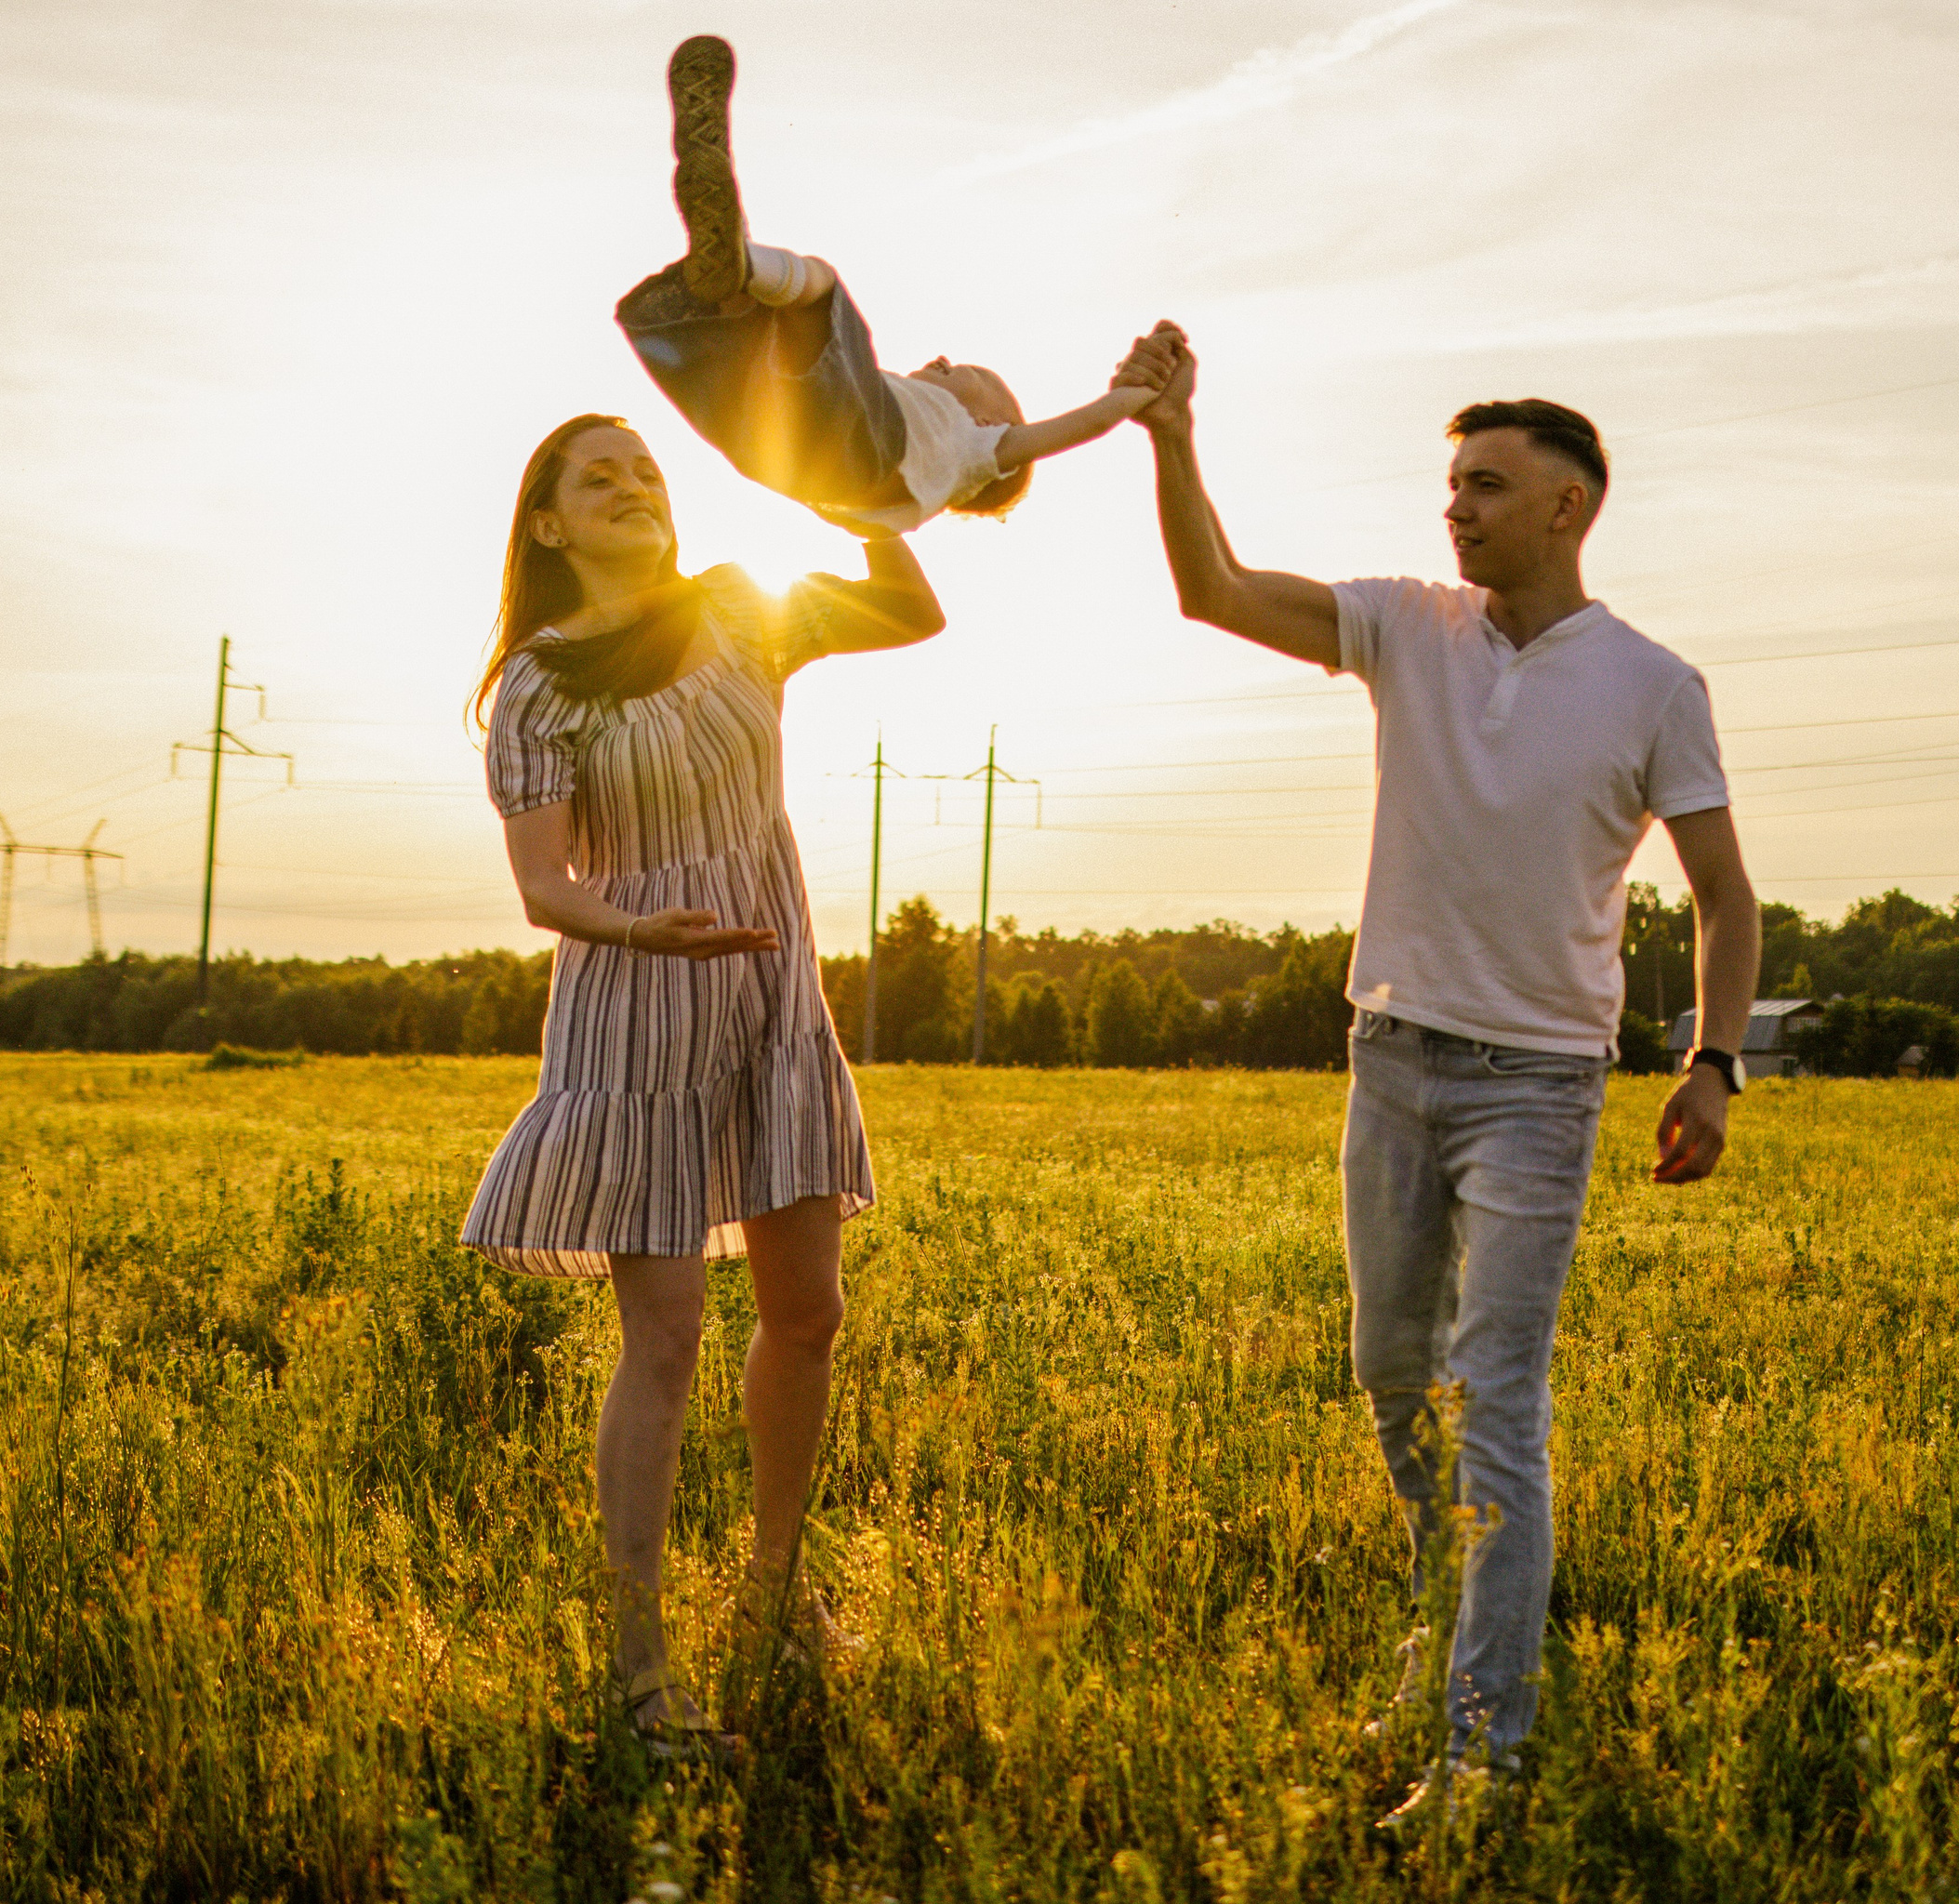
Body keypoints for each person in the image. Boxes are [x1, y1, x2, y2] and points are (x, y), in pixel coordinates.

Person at [1111, 325, 1761, 1824]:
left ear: (1568, 508)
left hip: (1539, 1085)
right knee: (1395, 1381)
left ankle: (1484, 1751)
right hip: (1391, 1059)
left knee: (1498, 1402)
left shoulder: (1655, 685)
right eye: (1450, 484)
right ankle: (1443, 1621)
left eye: (1485, 486)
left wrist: (1713, 1062)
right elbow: (1210, 590)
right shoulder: (1406, 624)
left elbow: (1728, 894)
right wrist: (1171, 437)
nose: (1454, 509)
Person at [459, 411, 946, 1759]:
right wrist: (640, 927)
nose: (632, 486)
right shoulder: (540, 684)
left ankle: (777, 1604)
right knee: (663, 1337)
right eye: (595, 476)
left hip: (773, 997)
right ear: (547, 526)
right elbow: (545, 888)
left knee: (809, 1315)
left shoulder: (740, 613)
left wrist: (848, 481)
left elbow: (910, 608)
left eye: (647, 469)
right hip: (638, 1014)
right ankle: (640, 1675)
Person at [614, 35, 1158, 536]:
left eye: (973, 373)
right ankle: (731, 256)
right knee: (764, 325)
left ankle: (740, 259)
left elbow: (1082, 425)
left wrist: (1132, 396)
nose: (947, 358)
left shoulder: (976, 449)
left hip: (845, 453)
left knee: (819, 292)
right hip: (780, 453)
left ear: (994, 423)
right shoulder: (912, 458)